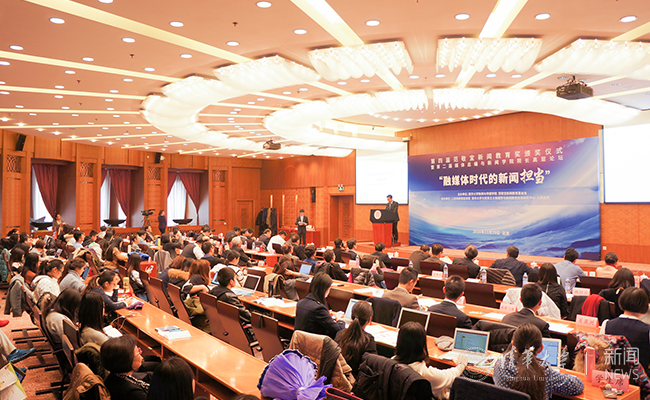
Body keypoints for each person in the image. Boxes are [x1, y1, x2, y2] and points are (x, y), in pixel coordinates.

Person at [494, 324, 584, 400]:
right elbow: (577, 386)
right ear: (541, 348)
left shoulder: (500, 363)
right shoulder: (544, 370)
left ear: (513, 344)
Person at [394, 321, 465, 400]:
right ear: (422, 345)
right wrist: (461, 364)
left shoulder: (390, 363)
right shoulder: (425, 374)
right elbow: (449, 377)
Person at [601, 287, 650, 374]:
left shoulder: (606, 324)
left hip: (610, 376)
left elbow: (601, 352)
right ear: (644, 306)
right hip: (639, 378)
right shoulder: (647, 330)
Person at [208, 268, 257, 348]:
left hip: (219, 327)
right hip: (233, 330)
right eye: (234, 278)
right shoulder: (229, 297)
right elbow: (246, 316)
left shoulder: (213, 290)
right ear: (231, 281)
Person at [295, 272, 344, 339]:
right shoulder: (318, 308)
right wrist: (339, 320)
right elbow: (339, 330)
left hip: (301, 342)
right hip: (315, 343)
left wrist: (326, 314)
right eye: (329, 288)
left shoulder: (300, 302)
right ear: (324, 289)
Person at [334, 300, 377, 377]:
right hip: (355, 380)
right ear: (369, 320)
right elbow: (373, 366)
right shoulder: (368, 340)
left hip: (337, 377)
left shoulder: (340, 334)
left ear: (351, 317)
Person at [102, 336, 149, 400]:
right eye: (138, 353)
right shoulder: (132, 392)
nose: (141, 356)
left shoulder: (114, 376)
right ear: (127, 361)